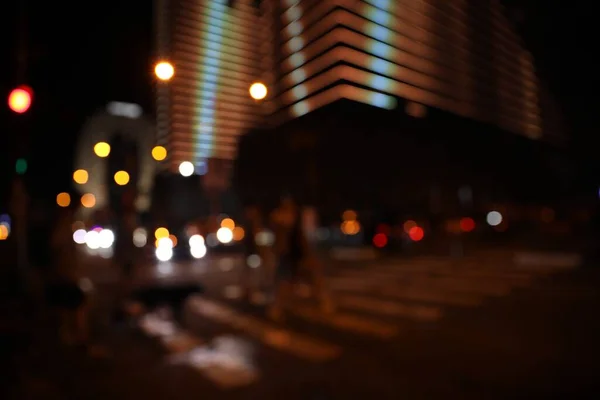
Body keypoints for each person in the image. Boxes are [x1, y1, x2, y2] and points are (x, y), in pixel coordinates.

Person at [46, 202, 88, 347]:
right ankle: (73, 337)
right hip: (63, 277)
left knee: (70, 306)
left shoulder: (64, 229)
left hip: (65, 276)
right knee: (71, 305)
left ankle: (72, 336)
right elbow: (59, 252)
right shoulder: (62, 230)